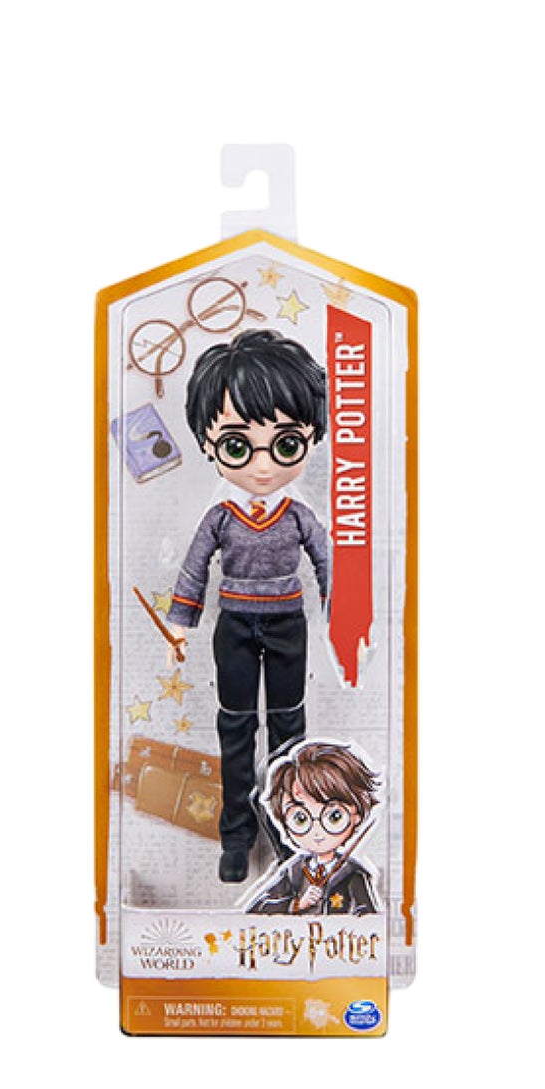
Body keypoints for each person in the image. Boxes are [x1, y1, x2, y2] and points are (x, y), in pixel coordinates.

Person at [165, 328, 331, 882]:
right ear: (208, 444)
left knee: (289, 730)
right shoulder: (220, 515)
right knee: (235, 729)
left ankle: (291, 831)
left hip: (287, 624)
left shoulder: (299, 514)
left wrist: (345, 619)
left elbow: (329, 564)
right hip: (234, 625)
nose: (262, 467)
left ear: (310, 438)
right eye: (238, 446)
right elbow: (194, 568)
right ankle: (235, 836)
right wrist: (180, 625)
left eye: (285, 445)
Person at [248, 741, 379, 915]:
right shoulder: (294, 871)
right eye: (300, 819)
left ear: (356, 816)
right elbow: (258, 908)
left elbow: (369, 916)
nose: (317, 831)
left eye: (334, 817)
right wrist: (296, 904)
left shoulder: (354, 874)